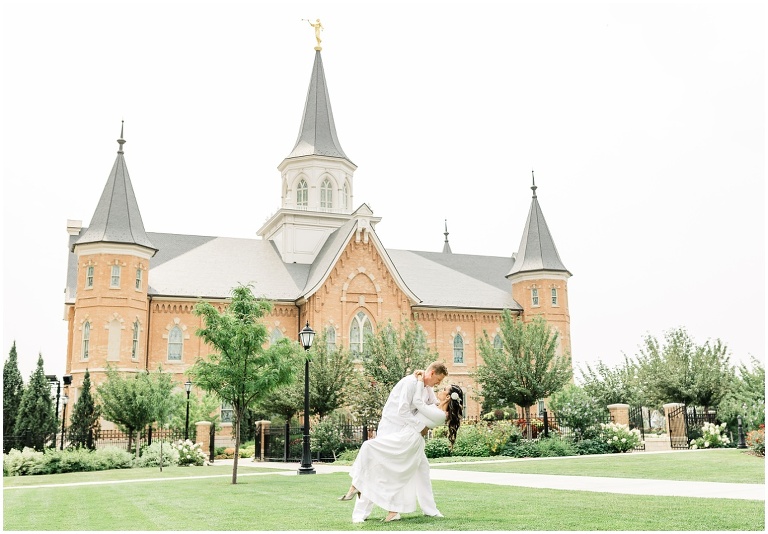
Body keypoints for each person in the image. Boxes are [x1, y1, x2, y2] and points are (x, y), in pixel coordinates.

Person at [339, 365, 464, 523]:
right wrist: (421, 427)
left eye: (442, 384)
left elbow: (430, 403)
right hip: (395, 429)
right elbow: (403, 411)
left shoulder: (426, 388)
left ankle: (421, 509)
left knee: (419, 470)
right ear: (432, 373)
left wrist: (422, 382)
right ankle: (361, 510)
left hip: (411, 436)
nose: (438, 384)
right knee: (380, 467)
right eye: (438, 380)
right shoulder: (411, 383)